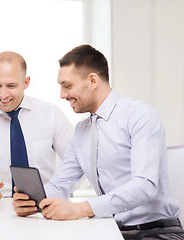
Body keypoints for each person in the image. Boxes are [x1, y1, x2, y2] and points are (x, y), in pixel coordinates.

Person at [12, 45, 184, 240]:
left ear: (92, 80)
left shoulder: (139, 115)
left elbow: (145, 185)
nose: (62, 95)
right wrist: (34, 201)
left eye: (67, 86)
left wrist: (81, 209)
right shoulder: (82, 131)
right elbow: (61, 184)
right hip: (111, 231)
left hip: (157, 232)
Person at [0, 51, 74, 210]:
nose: (3, 94)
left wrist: (58, 193)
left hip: (47, 205)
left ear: (26, 82)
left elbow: (75, 163)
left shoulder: (51, 114)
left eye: (11, 86)